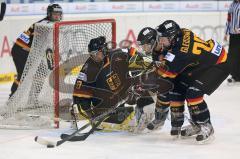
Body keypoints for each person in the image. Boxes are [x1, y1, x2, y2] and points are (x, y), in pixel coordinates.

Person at [137, 20, 230, 143]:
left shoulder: (180, 53)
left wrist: (144, 78)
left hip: (219, 64)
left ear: (172, 37)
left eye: (163, 39)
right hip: (203, 63)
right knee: (178, 86)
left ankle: (206, 126)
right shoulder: (182, 33)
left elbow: (167, 73)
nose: (161, 41)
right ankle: (196, 125)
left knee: (194, 92)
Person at [72, 36, 173, 133]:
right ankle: (129, 123)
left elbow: (132, 52)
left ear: (103, 50)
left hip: (120, 99)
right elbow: (79, 94)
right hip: (103, 107)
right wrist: (88, 116)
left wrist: (151, 63)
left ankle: (145, 123)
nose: (94, 57)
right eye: (91, 54)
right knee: (130, 124)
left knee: (147, 98)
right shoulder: (88, 69)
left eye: (96, 53)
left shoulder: (116, 55)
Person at [9, 3, 63, 97]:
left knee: (41, 72)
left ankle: (33, 98)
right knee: (22, 75)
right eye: (55, 13)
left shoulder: (50, 24)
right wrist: (52, 57)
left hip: (29, 51)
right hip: (20, 51)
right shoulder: (44, 25)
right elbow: (43, 45)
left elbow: (43, 45)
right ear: (49, 13)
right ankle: (12, 99)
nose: (57, 16)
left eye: (59, 14)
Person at [224, 0, 240, 83]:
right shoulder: (232, 5)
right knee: (232, 55)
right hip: (233, 35)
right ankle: (235, 76)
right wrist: (226, 33)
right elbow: (229, 19)